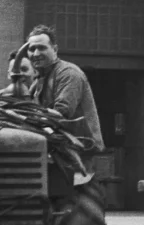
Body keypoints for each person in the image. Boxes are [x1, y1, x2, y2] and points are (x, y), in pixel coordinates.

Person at [25, 24, 104, 152]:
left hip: (83, 153)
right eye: (32, 49)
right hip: (61, 150)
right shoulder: (39, 79)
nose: (36, 53)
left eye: (42, 48)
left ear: (55, 49)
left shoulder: (69, 73)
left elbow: (61, 114)